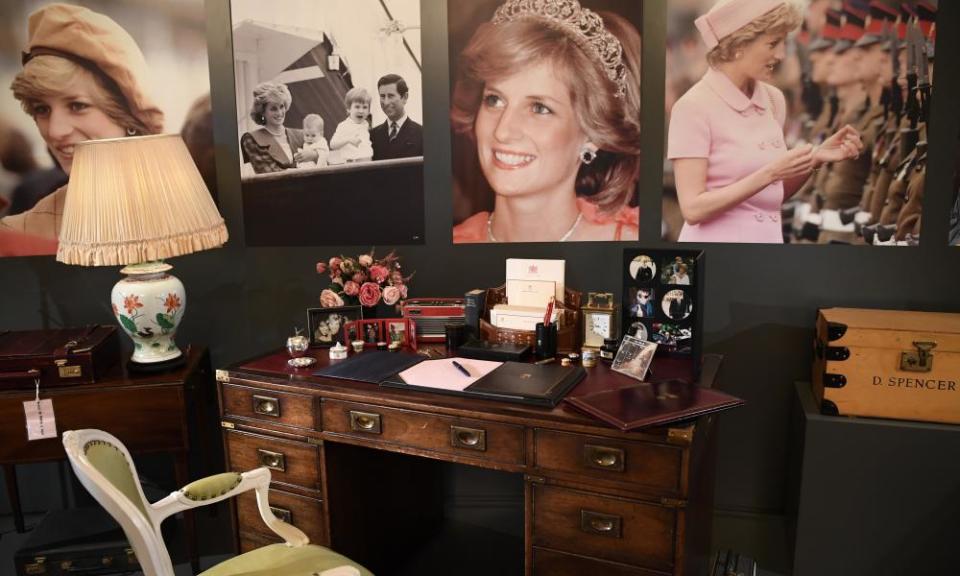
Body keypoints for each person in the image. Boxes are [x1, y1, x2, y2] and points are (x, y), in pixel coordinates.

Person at [668, 0, 864, 243]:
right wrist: (770, 173)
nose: (781, 54)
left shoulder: (773, 100)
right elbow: (693, 209)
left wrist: (813, 159)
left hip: (766, 250)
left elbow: (771, 197)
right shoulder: (692, 107)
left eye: (784, 43)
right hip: (716, 256)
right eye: (773, 44)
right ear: (739, 44)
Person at [451, 0, 642, 243]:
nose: (503, 130)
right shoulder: (448, 248)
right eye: (494, 100)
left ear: (592, 135)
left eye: (539, 108)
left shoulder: (630, 245)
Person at [0, 3, 164, 243]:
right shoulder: (20, 235)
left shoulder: (198, 213)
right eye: (42, 109)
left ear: (128, 115)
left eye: (78, 106)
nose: (55, 131)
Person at [240, 81, 311, 174]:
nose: (279, 113)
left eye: (281, 107)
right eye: (273, 108)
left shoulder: (301, 135)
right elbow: (269, 173)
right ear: (262, 112)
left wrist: (314, 155)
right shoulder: (252, 139)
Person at [371, 74, 423, 161]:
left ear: (405, 97)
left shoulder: (422, 135)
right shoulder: (372, 136)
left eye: (391, 96)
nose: (386, 102)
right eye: (382, 96)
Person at [330, 87, 374, 163]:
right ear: (348, 109)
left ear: (369, 111)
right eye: (357, 107)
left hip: (367, 161)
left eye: (365, 107)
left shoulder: (366, 125)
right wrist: (348, 140)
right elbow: (332, 145)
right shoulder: (343, 126)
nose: (361, 111)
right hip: (352, 163)